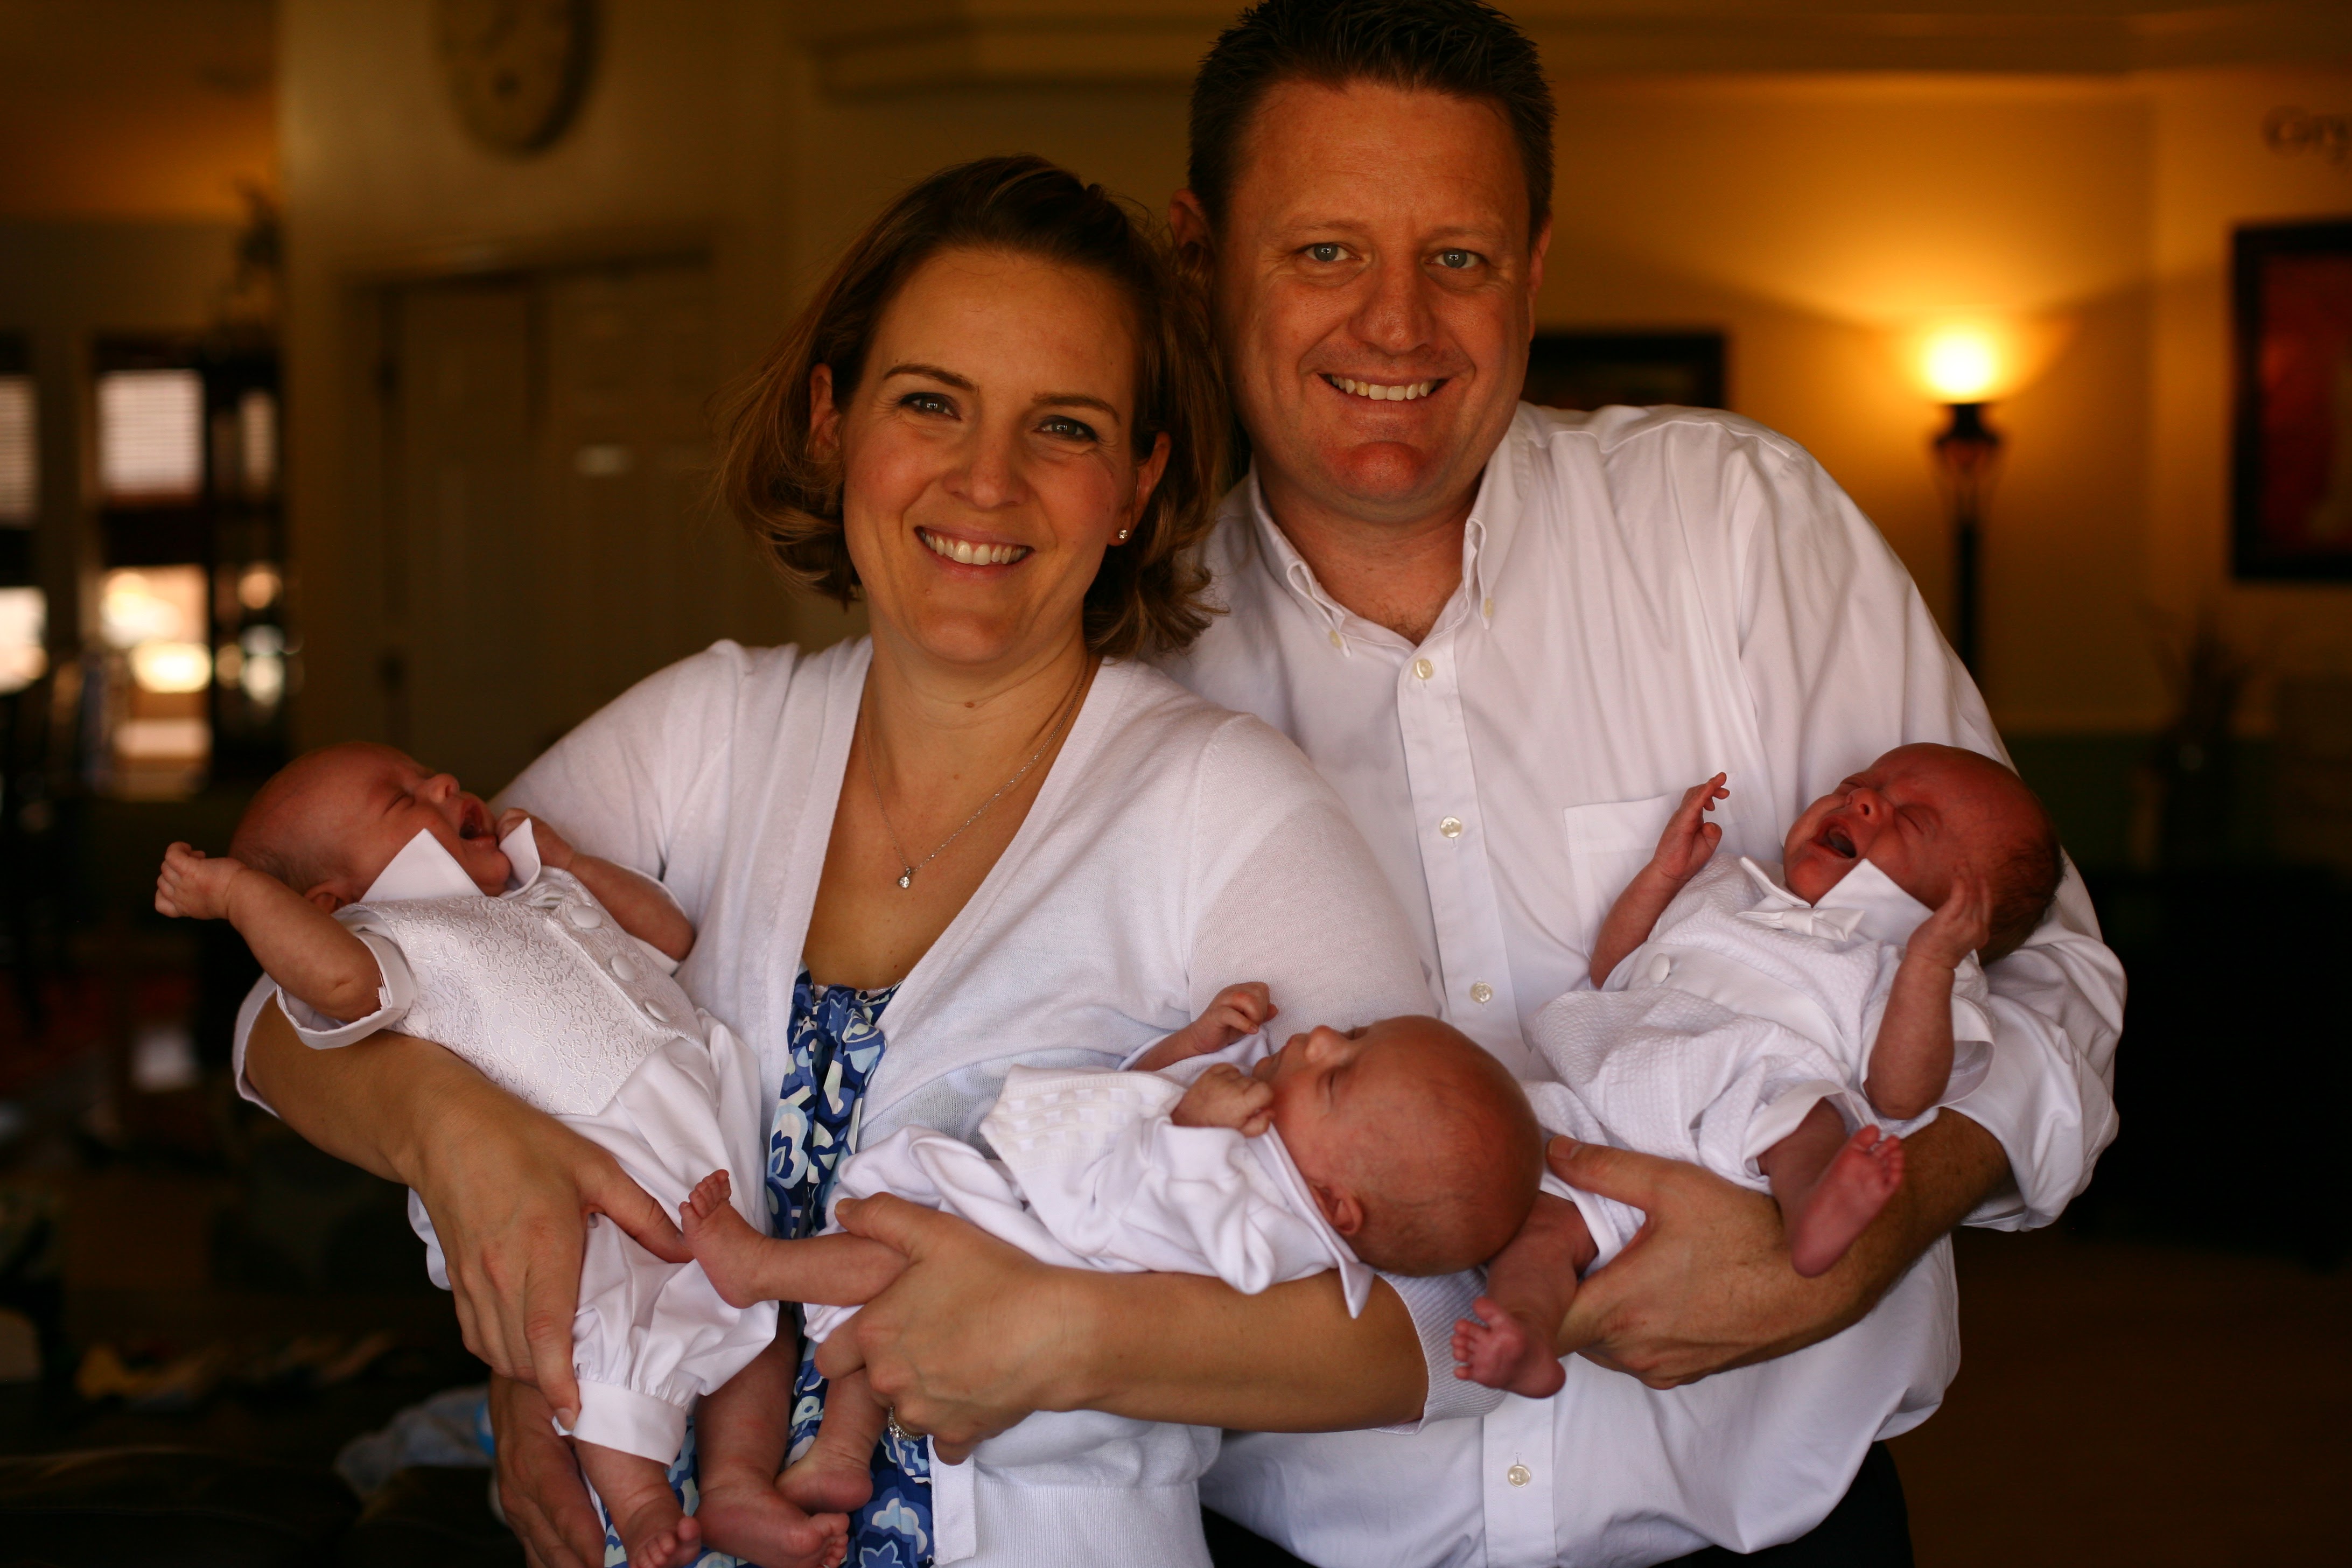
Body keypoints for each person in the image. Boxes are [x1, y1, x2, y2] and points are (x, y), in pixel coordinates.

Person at [814, 4, 2126, 1564]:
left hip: (1779, 1542)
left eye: (1459, 257)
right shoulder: (1095, 654)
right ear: (1200, 255)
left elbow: (2049, 977)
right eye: (1324, 252)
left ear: (1535, 267)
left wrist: (1860, 1236)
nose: (1398, 326)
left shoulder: (1737, 527)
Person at [235, 155, 1440, 1568]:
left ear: (1138, 484)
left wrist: (1070, 1337)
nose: (985, 479)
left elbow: (1450, 1304)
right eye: (930, 401)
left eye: (1064, 425)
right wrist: (455, 1136)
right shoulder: (709, 732)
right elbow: (283, 1009)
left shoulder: (1218, 805)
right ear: (832, 421)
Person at [156, 743, 813, 1568]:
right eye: (401, 799)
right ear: (333, 902)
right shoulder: (382, 938)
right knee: (605, 1351)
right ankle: (643, 1504)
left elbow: (671, 936)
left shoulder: (539, 890)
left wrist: (576, 867)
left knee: (755, 1326)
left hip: (706, 1146)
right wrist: (238, 897)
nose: (442, 783)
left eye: (426, 774)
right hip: (581, 1181)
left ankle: (737, 1486)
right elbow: (335, 988)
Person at [674, 1006, 1540, 1554]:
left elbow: (1175, 1215)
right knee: (886, 1317)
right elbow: (1122, 1103)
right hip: (1030, 1253)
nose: (1318, 1039)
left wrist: (1195, 1129)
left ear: (1339, 1208)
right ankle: (839, 1455)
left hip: (1041, 1270)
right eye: (1350, 1032)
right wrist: (1191, 1049)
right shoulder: (1275, 1144)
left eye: (1339, 1072)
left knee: (892, 1252)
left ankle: (761, 1271)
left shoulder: (1279, 1232)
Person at [1455, 745, 2063, 1398]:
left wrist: (1932, 964)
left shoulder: (1914, 964)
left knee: (1811, 1117)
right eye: (1855, 785)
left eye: (1911, 821)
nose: (1862, 801)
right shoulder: (1732, 883)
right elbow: (1616, 969)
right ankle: (1527, 1331)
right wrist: (1664, 874)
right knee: (1539, 1225)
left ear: (1963, 915)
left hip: (1748, 1113)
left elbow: (1901, 1092)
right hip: (1610, 1092)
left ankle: (1814, 1213)